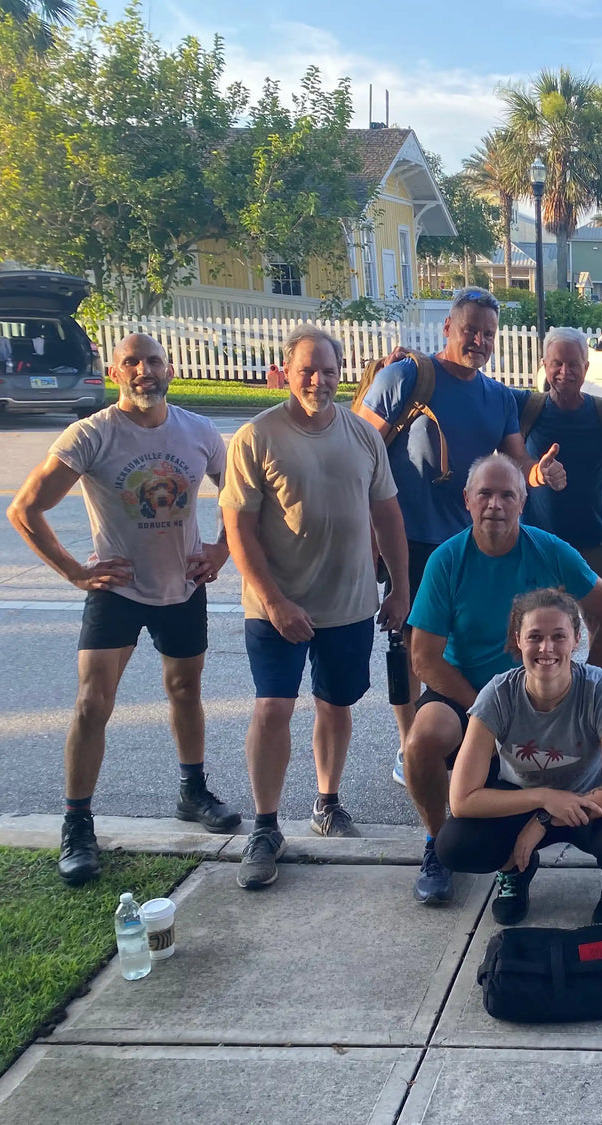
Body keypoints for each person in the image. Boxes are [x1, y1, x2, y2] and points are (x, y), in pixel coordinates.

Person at [7, 333, 237, 885]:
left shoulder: (200, 432)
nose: (144, 371)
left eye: (153, 360)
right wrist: (74, 572)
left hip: (182, 586)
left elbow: (240, 495)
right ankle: (77, 822)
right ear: (115, 371)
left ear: (170, 368)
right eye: (131, 362)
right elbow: (25, 509)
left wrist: (222, 548)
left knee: (186, 691)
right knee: (93, 701)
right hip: (116, 588)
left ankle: (192, 791)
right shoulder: (92, 434)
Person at [221, 325, 410, 889]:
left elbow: (389, 518)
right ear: (286, 371)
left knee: (335, 707)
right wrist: (275, 602)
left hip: (349, 605)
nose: (318, 380)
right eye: (307, 369)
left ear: (342, 370)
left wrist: (399, 589)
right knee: (272, 710)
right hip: (276, 608)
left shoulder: (364, 436)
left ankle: (327, 803)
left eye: (328, 370)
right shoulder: (256, 437)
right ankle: (264, 827)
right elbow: (238, 530)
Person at [355, 287, 564, 786]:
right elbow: (358, 447)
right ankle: (411, 747)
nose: (479, 340)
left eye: (488, 333)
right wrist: (364, 532)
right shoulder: (407, 376)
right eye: (470, 329)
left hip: (467, 543)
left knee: (462, 643)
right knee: (411, 643)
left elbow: (516, 462)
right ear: (447, 327)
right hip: (407, 539)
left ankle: (472, 730)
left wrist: (539, 475)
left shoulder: (496, 397)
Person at [403, 453, 602, 905]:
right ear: (467, 500)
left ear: (523, 501)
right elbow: (424, 659)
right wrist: (483, 713)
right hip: (467, 693)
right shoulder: (447, 561)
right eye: (485, 493)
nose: (495, 505)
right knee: (422, 739)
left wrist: (590, 684)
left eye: (508, 494)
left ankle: (540, 845)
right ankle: (436, 842)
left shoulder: (550, 550)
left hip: (546, 693)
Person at [435, 588, 602, 925]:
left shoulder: (601, 690)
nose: (546, 648)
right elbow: (462, 799)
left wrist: (543, 820)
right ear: (518, 639)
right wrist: (544, 799)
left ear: (577, 639)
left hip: (589, 804)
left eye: (558, 636)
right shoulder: (498, 694)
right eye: (534, 636)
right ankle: (514, 868)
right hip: (520, 799)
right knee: (455, 845)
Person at [516, 326, 602, 590]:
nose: (564, 372)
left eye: (573, 364)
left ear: (586, 367)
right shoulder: (526, 407)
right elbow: (478, 387)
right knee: (535, 623)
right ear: (544, 365)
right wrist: (418, 364)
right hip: (538, 544)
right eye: (556, 363)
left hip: (592, 543)